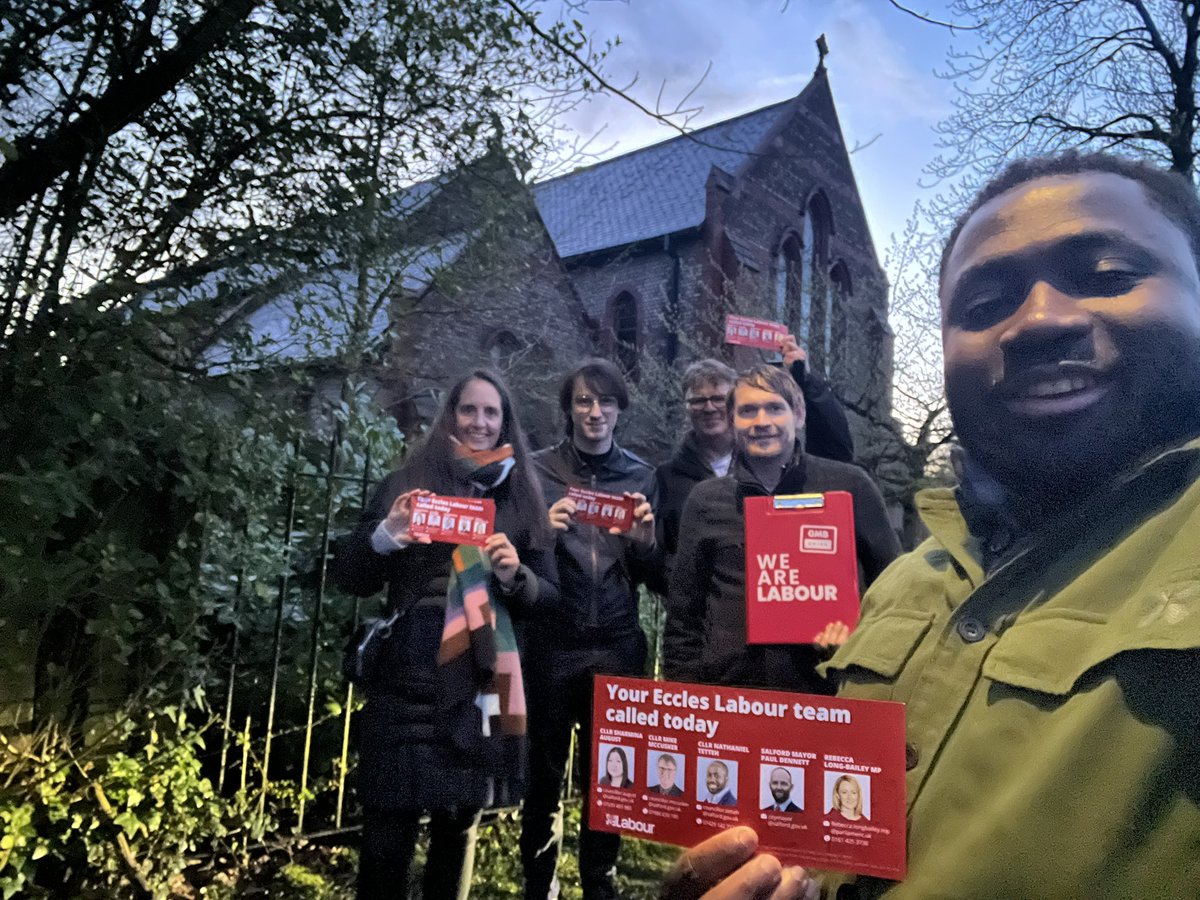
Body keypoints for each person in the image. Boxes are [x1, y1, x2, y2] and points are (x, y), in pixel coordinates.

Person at [660, 152, 1200, 899]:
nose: (1040, 320)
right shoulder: (911, 585)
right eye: (983, 308)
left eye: (1108, 275)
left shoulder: (843, 488)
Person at [333, 369, 558, 900]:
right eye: (468, 410)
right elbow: (350, 577)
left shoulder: (525, 496)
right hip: (406, 671)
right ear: (450, 416)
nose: (479, 422)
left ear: (505, 423)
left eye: (490, 412)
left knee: (458, 827)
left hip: (481, 676)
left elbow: (550, 599)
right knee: (388, 828)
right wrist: (386, 537)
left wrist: (515, 576)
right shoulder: (407, 484)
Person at [663, 363, 900, 693]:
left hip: (825, 690)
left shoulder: (849, 486)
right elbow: (684, 615)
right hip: (732, 694)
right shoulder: (706, 501)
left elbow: (893, 590)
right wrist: (684, 697)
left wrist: (860, 635)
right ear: (732, 421)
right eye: (748, 411)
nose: (762, 422)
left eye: (774, 408)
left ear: (799, 414)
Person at [520, 358, 658, 900]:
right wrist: (541, 533)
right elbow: (513, 558)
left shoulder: (643, 476)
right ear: (568, 409)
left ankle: (599, 882)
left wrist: (646, 540)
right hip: (555, 641)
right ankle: (540, 885)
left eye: (605, 401)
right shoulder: (536, 469)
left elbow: (656, 573)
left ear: (620, 408)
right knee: (544, 777)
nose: (594, 411)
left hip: (619, 642)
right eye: (583, 401)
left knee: (611, 779)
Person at [654, 343, 854, 584]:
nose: (708, 407)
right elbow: (665, 558)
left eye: (718, 398)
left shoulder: (771, 463)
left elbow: (835, 450)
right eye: (698, 400)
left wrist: (806, 380)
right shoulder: (667, 477)